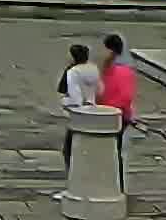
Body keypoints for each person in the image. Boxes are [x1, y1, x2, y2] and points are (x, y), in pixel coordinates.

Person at [98, 33, 139, 188]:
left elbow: (124, 96)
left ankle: (115, 185)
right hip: (112, 114)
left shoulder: (120, 71)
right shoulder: (112, 68)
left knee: (113, 151)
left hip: (114, 115)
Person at [58, 42, 100, 168]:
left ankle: (74, 175)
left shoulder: (72, 72)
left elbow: (72, 97)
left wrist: (64, 103)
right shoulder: (94, 68)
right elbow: (100, 90)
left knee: (69, 150)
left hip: (78, 114)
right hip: (93, 109)